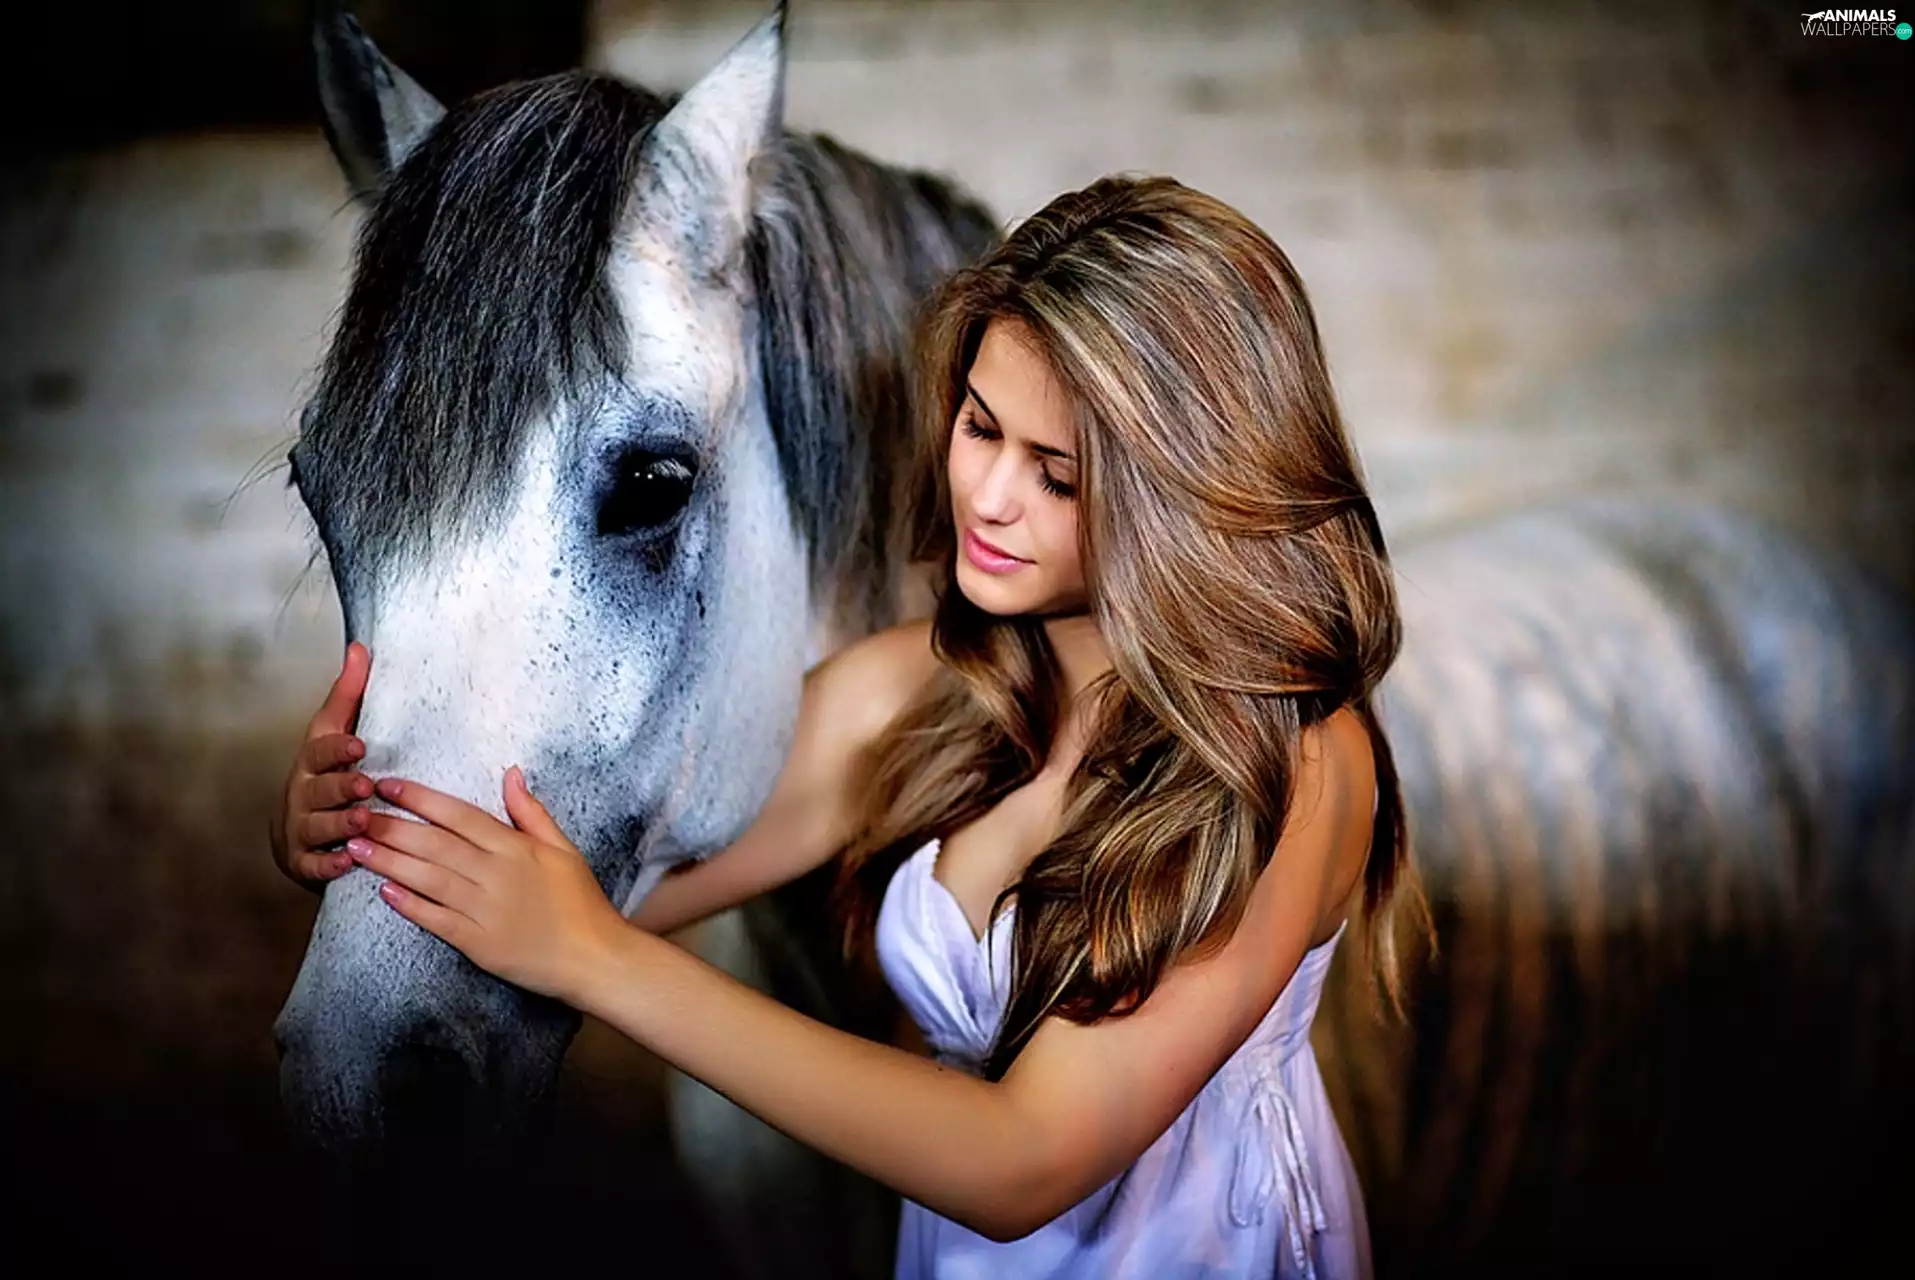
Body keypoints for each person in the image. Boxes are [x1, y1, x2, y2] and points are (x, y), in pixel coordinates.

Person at [271, 174, 1420, 1279]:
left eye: (1058, 476)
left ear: (1193, 491)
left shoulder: (1301, 762)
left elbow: (1026, 1159)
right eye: (979, 425)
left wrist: (601, 958)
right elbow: (571, 893)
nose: (988, 496)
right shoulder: (908, 694)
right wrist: (356, 841)